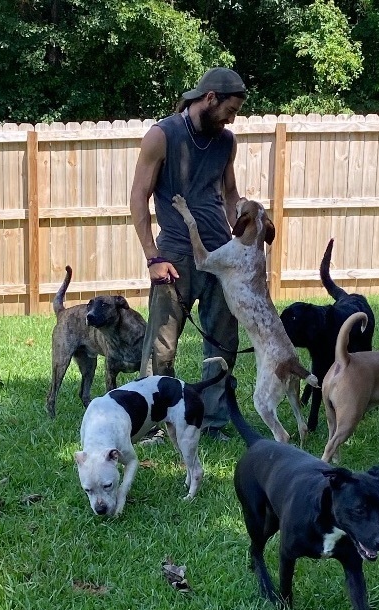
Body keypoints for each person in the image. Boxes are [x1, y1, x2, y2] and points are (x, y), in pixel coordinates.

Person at [130, 67, 247, 440]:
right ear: (209, 98)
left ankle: (213, 421)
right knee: (161, 346)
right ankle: (151, 422)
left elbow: (229, 193)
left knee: (223, 342)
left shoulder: (226, 141)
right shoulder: (162, 136)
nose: (232, 119)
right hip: (176, 255)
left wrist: (243, 231)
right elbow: (138, 197)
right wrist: (153, 256)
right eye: (230, 110)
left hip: (220, 256)